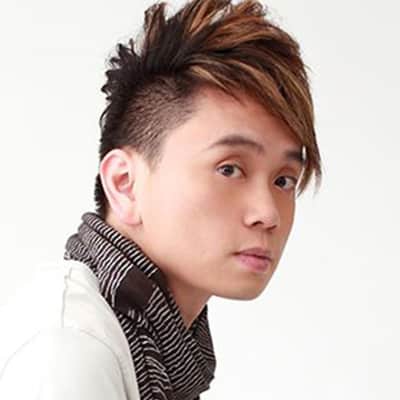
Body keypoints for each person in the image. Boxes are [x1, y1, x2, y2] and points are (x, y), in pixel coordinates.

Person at [0, 0, 322, 399]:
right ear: (125, 184)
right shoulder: (70, 350)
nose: (268, 213)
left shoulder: (165, 353)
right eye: (229, 169)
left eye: (284, 180)